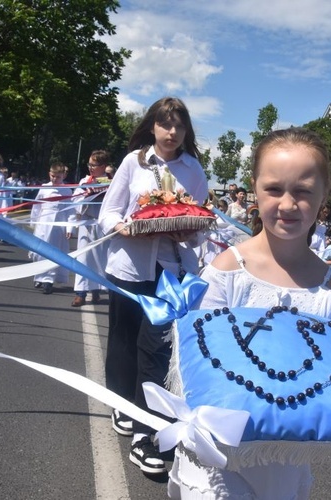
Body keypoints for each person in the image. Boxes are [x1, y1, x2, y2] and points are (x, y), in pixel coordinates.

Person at [168, 127, 331, 499]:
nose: (287, 204)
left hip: (281, 461)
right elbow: (192, 364)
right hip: (215, 458)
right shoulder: (227, 270)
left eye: (302, 191)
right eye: (274, 189)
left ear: (323, 195)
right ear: (254, 188)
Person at [98, 97, 208, 475]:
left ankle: (149, 424)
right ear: (152, 127)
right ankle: (121, 401)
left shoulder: (193, 169)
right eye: (166, 125)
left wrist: (185, 233)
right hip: (129, 265)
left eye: (179, 126)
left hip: (171, 273)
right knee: (124, 339)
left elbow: (200, 224)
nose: (172, 132)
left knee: (157, 347)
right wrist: (122, 227)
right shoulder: (134, 162)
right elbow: (108, 213)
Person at [68, 150, 109, 307]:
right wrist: (85, 196)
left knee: (100, 259)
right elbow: (74, 200)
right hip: (86, 222)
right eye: (89, 164)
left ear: (103, 166)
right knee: (84, 258)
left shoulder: (111, 182)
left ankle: (97, 290)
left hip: (101, 224)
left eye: (94, 165)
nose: (91, 167)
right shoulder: (85, 181)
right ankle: (80, 293)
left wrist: (103, 195)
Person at [29, 162, 73, 294]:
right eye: (53, 176)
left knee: (53, 252)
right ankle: (39, 276)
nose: (55, 179)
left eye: (58, 177)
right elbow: (37, 206)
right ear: (49, 174)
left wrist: (69, 228)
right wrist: (34, 221)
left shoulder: (67, 190)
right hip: (43, 223)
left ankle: (49, 280)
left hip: (58, 225)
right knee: (39, 252)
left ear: (63, 176)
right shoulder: (44, 188)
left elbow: (70, 211)